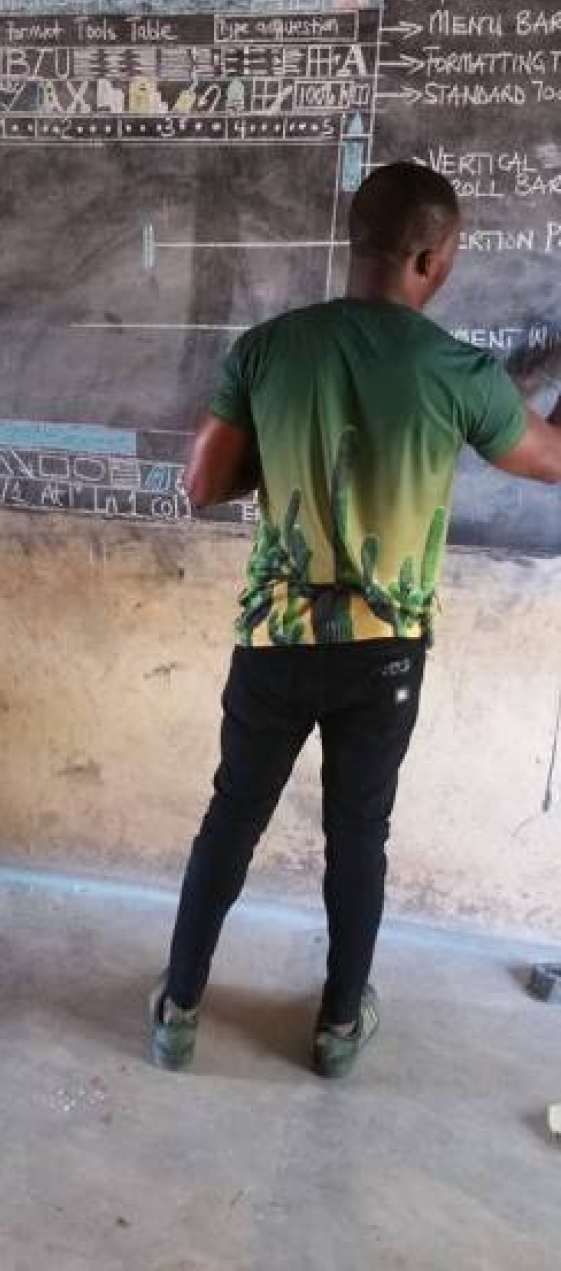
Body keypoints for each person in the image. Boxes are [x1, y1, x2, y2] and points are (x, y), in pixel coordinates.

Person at [150, 161, 561, 1079]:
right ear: (433, 259)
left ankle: (177, 1009)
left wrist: (287, 456)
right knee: (358, 835)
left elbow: (202, 485)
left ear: (355, 241)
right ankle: (337, 1028)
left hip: (274, 641)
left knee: (230, 820)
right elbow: (550, 461)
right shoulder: (460, 373)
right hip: (385, 653)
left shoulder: (267, 348)